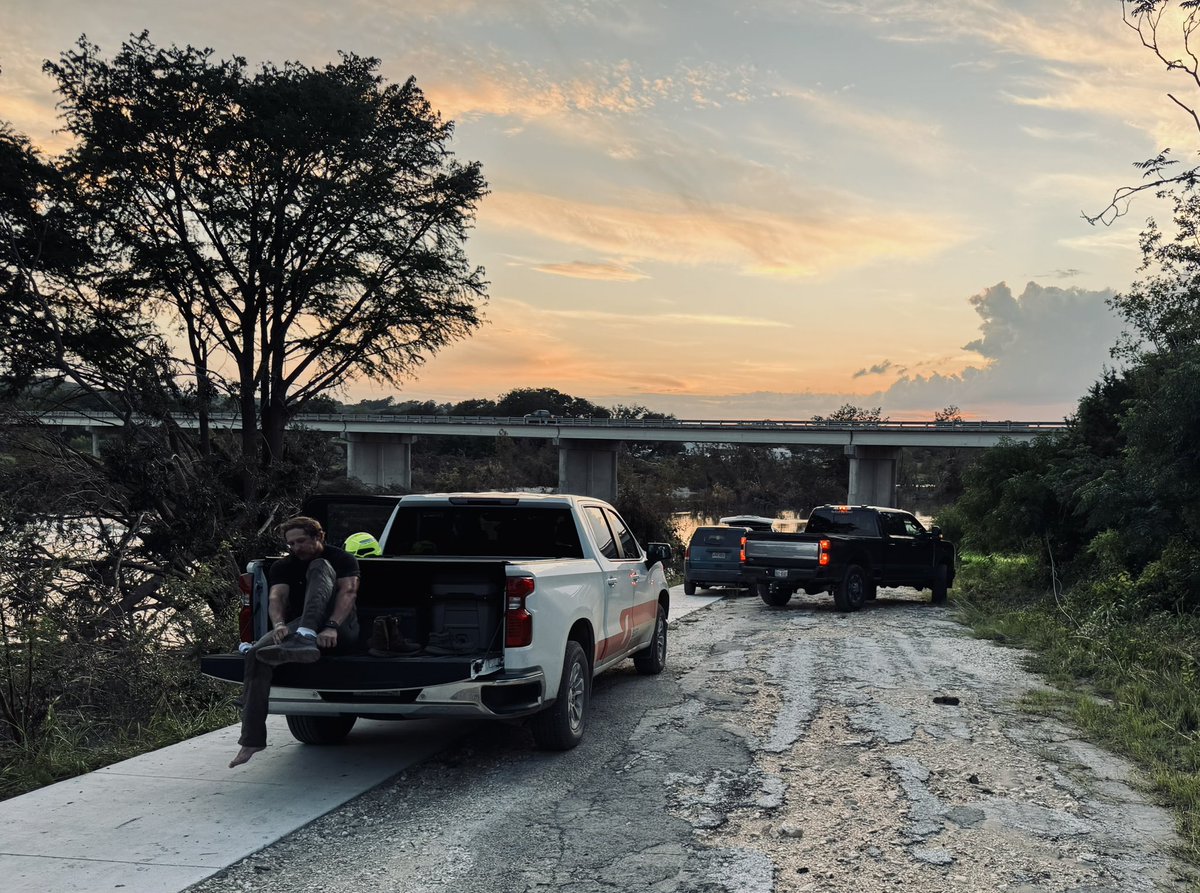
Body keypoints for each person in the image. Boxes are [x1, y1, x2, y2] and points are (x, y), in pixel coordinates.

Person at [228, 516, 361, 768]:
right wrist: (278, 625)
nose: (296, 547)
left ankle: (305, 640)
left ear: (318, 536)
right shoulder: (283, 565)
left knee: (319, 566)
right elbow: (276, 597)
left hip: (339, 625)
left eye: (301, 541)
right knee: (256, 653)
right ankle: (251, 739)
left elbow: (349, 593)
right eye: (291, 544)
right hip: (298, 624)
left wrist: (332, 626)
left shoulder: (342, 559)